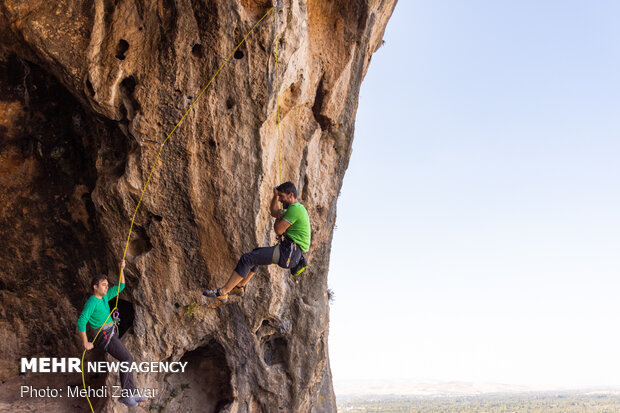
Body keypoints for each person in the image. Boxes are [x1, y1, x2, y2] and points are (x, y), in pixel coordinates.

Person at [203, 181, 311, 302]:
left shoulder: (295, 209)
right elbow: (274, 212)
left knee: (247, 259)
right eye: (279, 196)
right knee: (255, 254)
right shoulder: (294, 209)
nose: (280, 200)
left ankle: (222, 292)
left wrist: (279, 217)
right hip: (291, 253)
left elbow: (279, 230)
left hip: (290, 253)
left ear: (291, 195)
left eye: (281, 196)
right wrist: (275, 196)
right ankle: (239, 286)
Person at [77, 260, 146, 407]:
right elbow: (81, 321)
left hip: (110, 332)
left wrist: (122, 269)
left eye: (107, 285)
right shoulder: (92, 302)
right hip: (104, 335)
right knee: (127, 358)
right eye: (103, 284)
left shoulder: (104, 298)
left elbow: (121, 286)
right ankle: (127, 395)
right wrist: (85, 342)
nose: (106, 287)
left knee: (127, 359)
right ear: (95, 287)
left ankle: (131, 393)